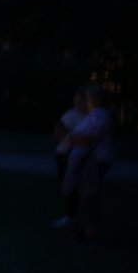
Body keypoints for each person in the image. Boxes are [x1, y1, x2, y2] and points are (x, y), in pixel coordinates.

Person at [61, 85, 114, 242]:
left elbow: (87, 139)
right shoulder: (96, 115)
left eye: (87, 98)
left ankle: (91, 233)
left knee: (90, 195)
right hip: (92, 159)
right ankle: (88, 229)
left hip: (96, 159)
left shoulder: (100, 115)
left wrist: (69, 137)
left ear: (93, 99)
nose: (83, 101)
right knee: (88, 194)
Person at [51, 88, 88, 227]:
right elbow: (57, 135)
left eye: (81, 99)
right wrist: (61, 131)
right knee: (69, 186)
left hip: (83, 154)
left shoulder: (92, 116)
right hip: (65, 153)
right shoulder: (71, 114)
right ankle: (69, 215)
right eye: (76, 99)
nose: (78, 102)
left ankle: (82, 215)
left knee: (82, 185)